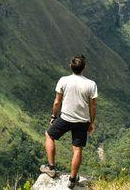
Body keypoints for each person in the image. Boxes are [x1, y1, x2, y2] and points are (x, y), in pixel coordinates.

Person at [40, 54, 98, 189]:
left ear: (70, 66)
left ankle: (51, 167)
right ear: (84, 68)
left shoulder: (63, 80)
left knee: (49, 135)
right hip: (83, 121)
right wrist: (91, 122)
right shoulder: (91, 84)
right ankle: (72, 179)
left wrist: (54, 117)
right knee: (77, 149)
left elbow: (57, 101)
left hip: (65, 118)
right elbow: (93, 106)